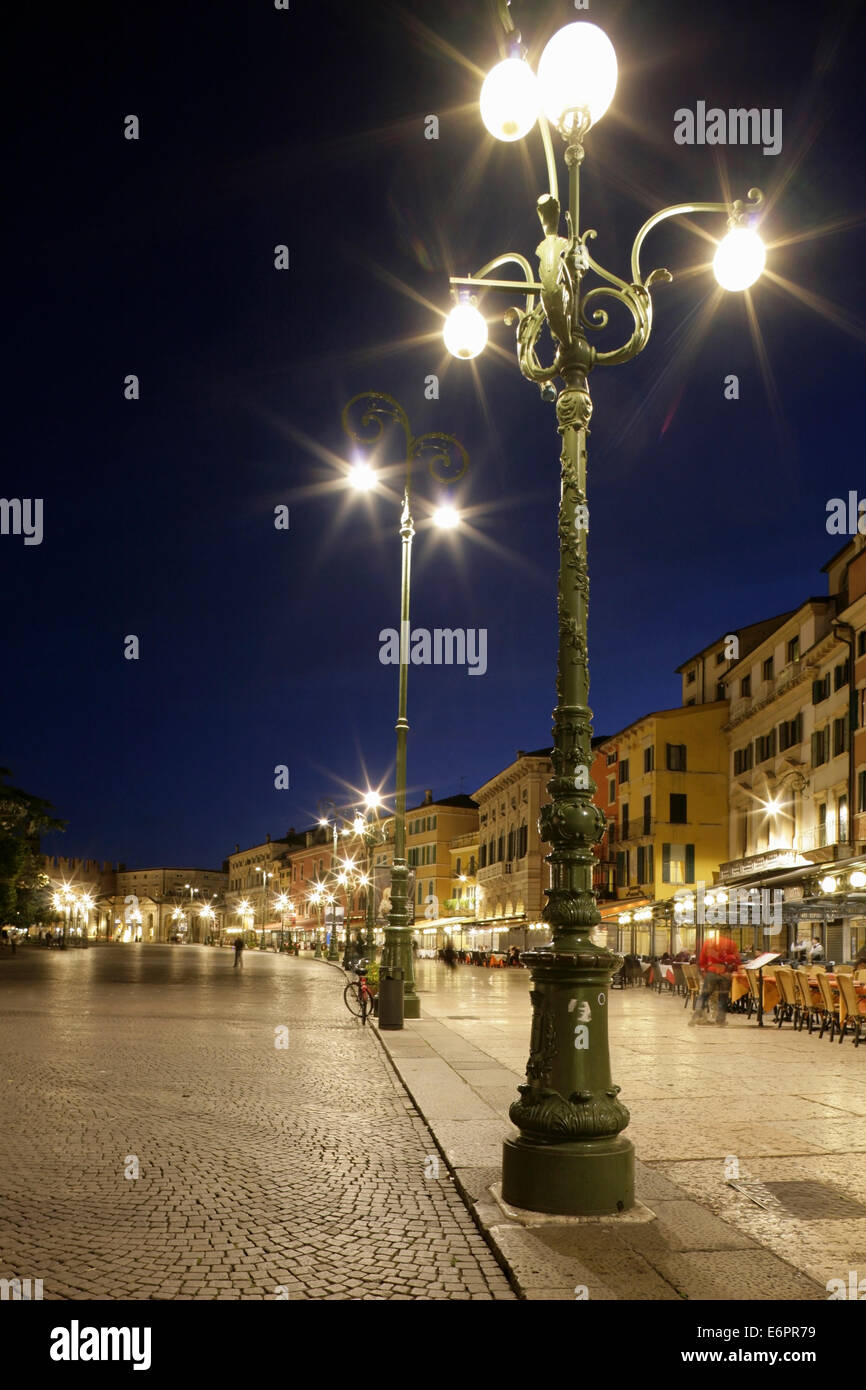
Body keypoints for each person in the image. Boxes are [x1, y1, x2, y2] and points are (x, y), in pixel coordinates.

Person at [689, 932, 741, 1027]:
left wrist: (704, 972)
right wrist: (734, 970)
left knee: (704, 995)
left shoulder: (708, 942)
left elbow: (702, 960)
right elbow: (737, 960)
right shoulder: (731, 943)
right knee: (723, 997)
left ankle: (697, 1015)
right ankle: (720, 1021)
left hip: (712, 972)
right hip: (725, 973)